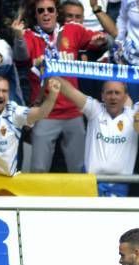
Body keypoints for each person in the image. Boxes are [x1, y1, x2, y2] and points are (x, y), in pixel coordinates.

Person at [12, 0, 107, 173]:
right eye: (41, 11)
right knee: (39, 169)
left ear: (57, 13)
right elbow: (21, 56)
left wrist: (100, 40)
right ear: (36, 15)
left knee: (78, 169)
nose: (46, 13)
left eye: (50, 10)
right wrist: (18, 36)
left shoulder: (72, 29)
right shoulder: (28, 36)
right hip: (45, 113)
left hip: (73, 112)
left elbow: (98, 40)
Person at [58, 79, 139, 195]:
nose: (113, 97)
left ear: (126, 97)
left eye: (117, 93)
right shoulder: (95, 110)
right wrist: (50, 70)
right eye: (109, 92)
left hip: (119, 186)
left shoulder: (133, 115)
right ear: (102, 96)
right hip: (91, 183)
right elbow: (69, 90)